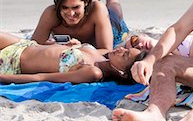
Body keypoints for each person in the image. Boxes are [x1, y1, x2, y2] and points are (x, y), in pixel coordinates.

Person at [0, 32, 147, 84]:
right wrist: (75, 46)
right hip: (23, 45)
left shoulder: (93, 72)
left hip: (13, 62)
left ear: (123, 72)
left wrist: (3, 78)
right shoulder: (103, 57)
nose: (121, 49)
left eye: (125, 54)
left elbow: (43, 77)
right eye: (126, 49)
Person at [32, 0, 129, 54]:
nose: (70, 13)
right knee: (91, 5)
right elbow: (31, 47)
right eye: (64, 7)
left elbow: (107, 51)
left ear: (86, 2)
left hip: (112, 30)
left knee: (115, 12)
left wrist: (78, 50)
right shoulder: (51, 13)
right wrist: (52, 47)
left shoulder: (97, 10)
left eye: (75, 7)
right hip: (88, 15)